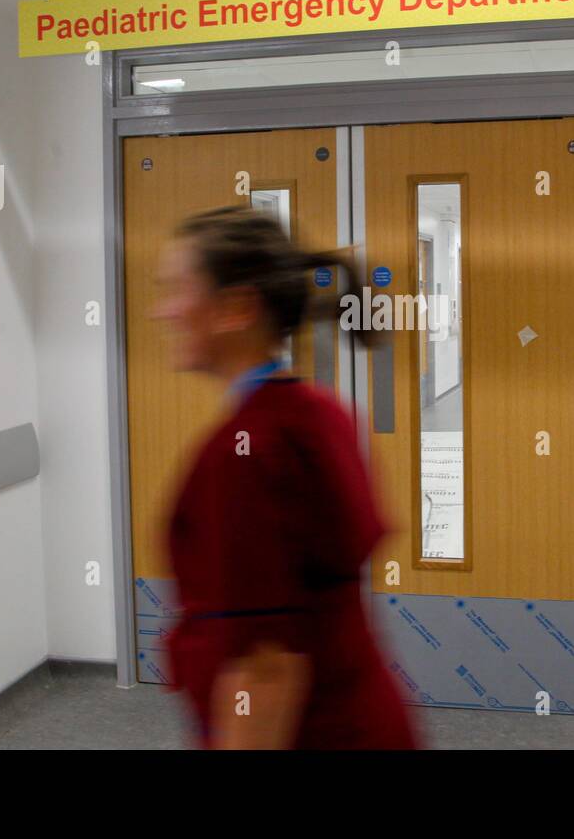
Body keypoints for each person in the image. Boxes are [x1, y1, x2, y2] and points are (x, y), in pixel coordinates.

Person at [152, 205, 419, 750]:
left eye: (178, 289)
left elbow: (265, 668)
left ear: (236, 308)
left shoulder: (244, 452)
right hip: (365, 718)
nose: (163, 311)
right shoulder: (319, 412)